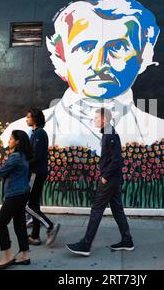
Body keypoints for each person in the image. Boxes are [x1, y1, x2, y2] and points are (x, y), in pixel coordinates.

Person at [1, 0, 164, 155]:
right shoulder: (15, 131)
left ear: (144, 55)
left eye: (117, 47)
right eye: (85, 47)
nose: (99, 64)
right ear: (60, 58)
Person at [66, 108, 133, 256]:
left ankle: (85, 245)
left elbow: (117, 159)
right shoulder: (108, 132)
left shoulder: (109, 134)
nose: (94, 120)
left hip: (109, 179)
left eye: (96, 117)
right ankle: (127, 240)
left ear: (104, 119)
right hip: (113, 179)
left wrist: (105, 176)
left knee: (96, 209)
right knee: (117, 210)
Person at [0, 130, 32, 269]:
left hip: (14, 194)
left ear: (17, 141)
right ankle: (24, 255)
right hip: (23, 193)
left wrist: (2, 170)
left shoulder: (15, 156)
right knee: (19, 224)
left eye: (10, 139)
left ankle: (7, 256)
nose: (9, 141)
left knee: (0, 225)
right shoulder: (24, 156)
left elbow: (1, 172)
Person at [25, 108, 61, 246]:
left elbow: (36, 156)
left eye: (28, 117)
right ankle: (35, 236)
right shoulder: (36, 133)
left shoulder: (39, 133)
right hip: (37, 173)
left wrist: (23, 164)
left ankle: (50, 226)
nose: (26, 120)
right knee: (34, 205)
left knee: (27, 205)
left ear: (34, 118)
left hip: (36, 173)